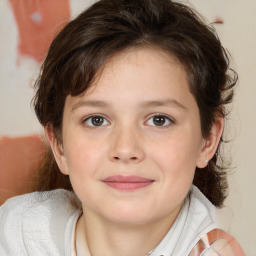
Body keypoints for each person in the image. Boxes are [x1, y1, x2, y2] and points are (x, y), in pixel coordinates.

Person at [0, 0, 245, 255]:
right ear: (59, 146)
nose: (126, 149)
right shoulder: (16, 235)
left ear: (208, 139)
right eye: (96, 120)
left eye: (159, 120)